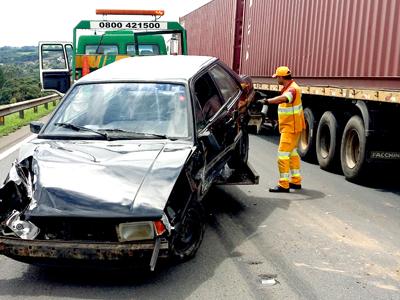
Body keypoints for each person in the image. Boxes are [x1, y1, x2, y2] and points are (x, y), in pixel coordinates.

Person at [258, 66, 305, 192]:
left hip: (291, 127)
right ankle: (296, 181)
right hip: (293, 127)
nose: (276, 79)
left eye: (276, 77)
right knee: (292, 153)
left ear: (281, 77)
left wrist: (267, 101)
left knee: (282, 154)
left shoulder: (292, 89)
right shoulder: (292, 86)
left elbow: (284, 99)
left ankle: (284, 184)